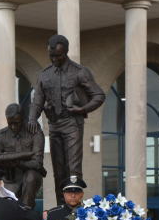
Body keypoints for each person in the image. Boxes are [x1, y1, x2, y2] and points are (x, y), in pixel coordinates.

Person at [27, 34, 105, 206]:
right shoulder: (44, 75)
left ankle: (75, 208)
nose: (54, 59)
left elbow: (99, 95)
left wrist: (83, 109)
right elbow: (37, 100)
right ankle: (61, 208)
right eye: (51, 56)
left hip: (72, 124)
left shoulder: (79, 72)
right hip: (54, 124)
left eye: (58, 56)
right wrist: (32, 118)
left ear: (66, 52)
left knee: (74, 168)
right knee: (58, 169)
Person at [0, 102, 46, 210]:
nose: (13, 126)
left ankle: (25, 212)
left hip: (30, 176)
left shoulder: (35, 133)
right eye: (10, 123)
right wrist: (24, 155)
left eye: (17, 123)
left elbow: (37, 163)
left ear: (23, 118)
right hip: (9, 178)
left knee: (31, 176)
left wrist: (14, 161)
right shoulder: (0, 136)